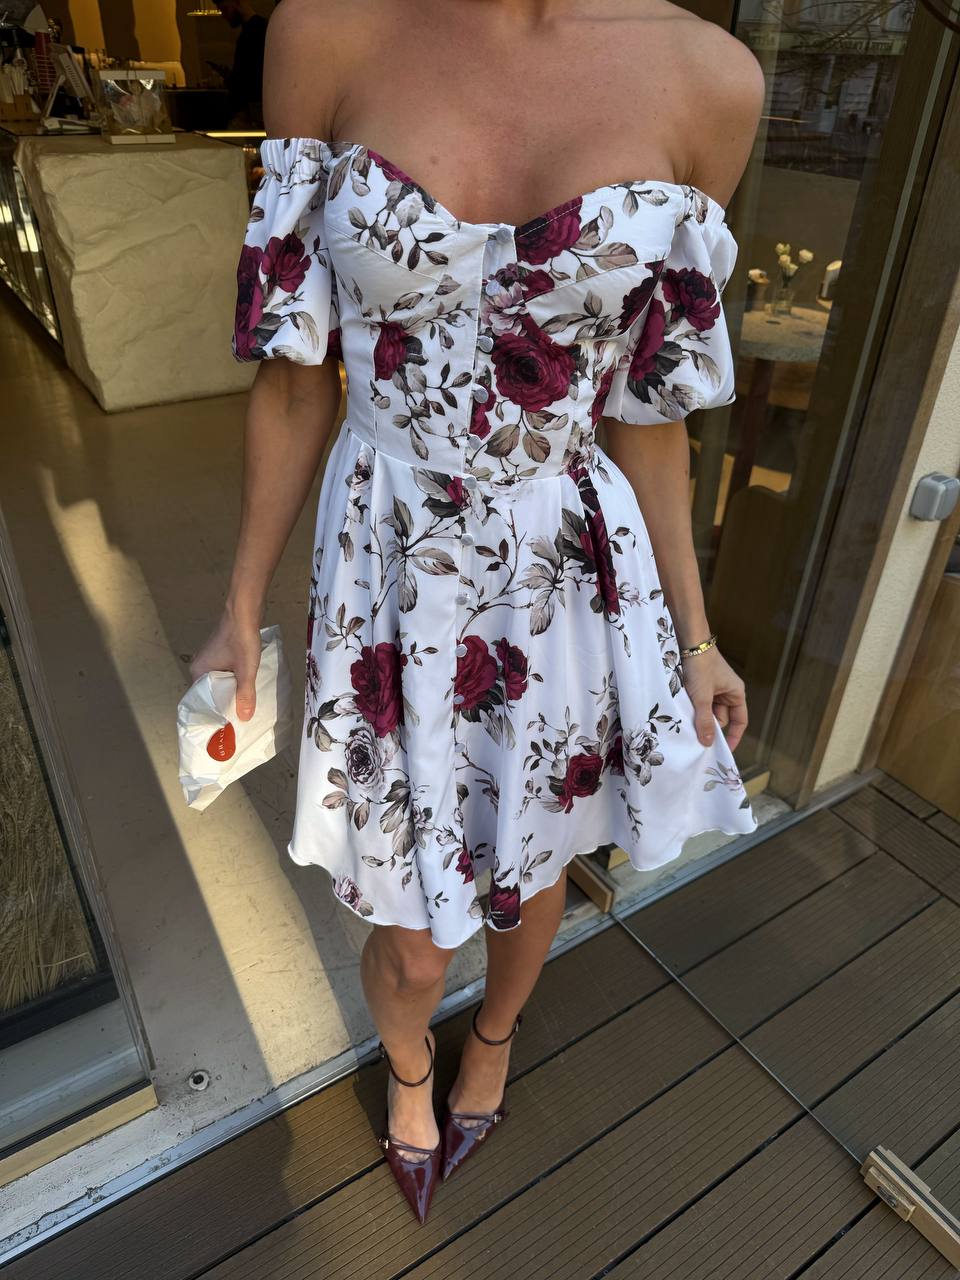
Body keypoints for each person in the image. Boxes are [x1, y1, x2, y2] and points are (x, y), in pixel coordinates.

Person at [190, 0, 765, 1226]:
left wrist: (698, 635)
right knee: (408, 930)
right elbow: (296, 377)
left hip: (561, 565)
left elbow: (652, 420)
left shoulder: (712, 83)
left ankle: (494, 1036)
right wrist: (239, 607)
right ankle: (409, 1061)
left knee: (535, 850)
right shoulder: (328, 33)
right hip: (387, 565)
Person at [213, 0, 268, 127]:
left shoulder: (255, 32)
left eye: (224, 9)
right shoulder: (257, 29)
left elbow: (249, 78)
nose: (223, 15)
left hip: (253, 113)